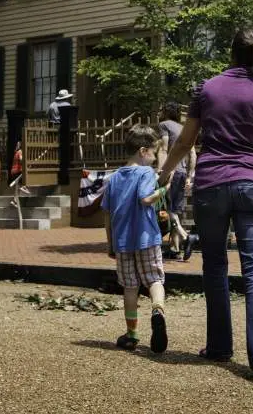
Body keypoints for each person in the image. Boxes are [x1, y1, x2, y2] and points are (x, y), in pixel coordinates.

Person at [158, 28, 253, 381]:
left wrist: (165, 174)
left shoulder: (206, 89)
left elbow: (184, 142)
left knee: (214, 265)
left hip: (211, 186)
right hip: (251, 185)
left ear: (230, 53)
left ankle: (219, 346)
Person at [101, 124, 170, 353]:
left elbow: (107, 216)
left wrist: (110, 244)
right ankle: (157, 310)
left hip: (122, 242)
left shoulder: (113, 179)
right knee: (154, 279)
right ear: (143, 151)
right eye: (153, 152)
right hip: (147, 238)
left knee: (130, 287)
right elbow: (145, 199)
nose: (153, 158)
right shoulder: (146, 173)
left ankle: (131, 334)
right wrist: (164, 189)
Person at [158, 101, 198, 261]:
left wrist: (161, 172)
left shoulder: (164, 125)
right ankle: (175, 249)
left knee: (166, 208)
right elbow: (193, 154)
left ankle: (186, 237)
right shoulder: (184, 129)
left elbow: (163, 149)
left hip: (171, 171)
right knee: (176, 210)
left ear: (165, 112)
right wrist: (189, 176)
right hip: (182, 173)